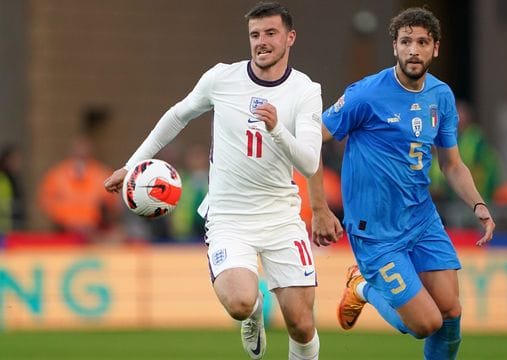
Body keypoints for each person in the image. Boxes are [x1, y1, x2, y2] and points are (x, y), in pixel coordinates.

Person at [104, 3, 340, 359]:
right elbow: (178, 115)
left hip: (282, 218)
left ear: (290, 38)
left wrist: (276, 128)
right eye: (255, 35)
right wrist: (131, 164)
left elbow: (309, 160)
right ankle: (254, 314)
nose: (262, 42)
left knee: (302, 324)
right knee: (241, 302)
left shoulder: (305, 91)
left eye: (271, 33)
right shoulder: (222, 78)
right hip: (229, 218)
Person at [308, 7, 495, 360]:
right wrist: (320, 208)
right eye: (406, 41)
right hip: (375, 230)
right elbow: (310, 141)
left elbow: (452, 164)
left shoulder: (441, 96)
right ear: (394, 46)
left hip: (422, 220)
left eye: (422, 42)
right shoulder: (366, 94)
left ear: (435, 48)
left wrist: (479, 206)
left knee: (451, 314)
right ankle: (361, 287)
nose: (413, 50)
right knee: (425, 324)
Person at [38, 135, 120, 241]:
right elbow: (47, 201)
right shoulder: (57, 175)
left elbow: (114, 204)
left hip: (94, 234)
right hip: (64, 233)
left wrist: (98, 221)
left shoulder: (101, 174)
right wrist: (67, 221)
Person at [0, 144, 25, 233]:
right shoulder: (3, 178)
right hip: (4, 227)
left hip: (12, 225)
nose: (18, 163)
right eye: (15, 159)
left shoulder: (14, 178)